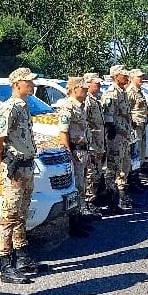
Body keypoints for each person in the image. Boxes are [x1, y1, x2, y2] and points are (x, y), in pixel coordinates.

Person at [0, 67, 42, 284]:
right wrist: (3, 160)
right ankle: (5, 266)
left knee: (21, 213)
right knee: (8, 217)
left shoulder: (24, 106)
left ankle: (22, 258)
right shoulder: (9, 108)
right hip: (15, 169)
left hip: (27, 167)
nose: (32, 85)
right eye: (28, 82)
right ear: (17, 84)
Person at [57, 76, 92, 236]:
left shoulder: (80, 106)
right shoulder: (68, 107)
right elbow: (63, 132)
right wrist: (69, 154)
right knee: (76, 187)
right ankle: (74, 223)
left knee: (82, 185)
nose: (85, 90)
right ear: (74, 89)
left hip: (83, 150)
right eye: (83, 88)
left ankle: (79, 216)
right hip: (76, 151)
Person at [101, 65, 133, 211]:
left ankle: (122, 196)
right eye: (124, 75)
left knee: (125, 165)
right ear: (116, 76)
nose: (127, 78)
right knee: (113, 167)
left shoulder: (123, 92)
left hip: (125, 136)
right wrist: (112, 133)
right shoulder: (111, 94)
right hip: (116, 137)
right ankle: (111, 199)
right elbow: (109, 119)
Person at [82, 72, 106, 214]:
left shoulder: (95, 100)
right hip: (91, 144)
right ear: (88, 84)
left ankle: (94, 200)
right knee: (90, 174)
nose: (99, 85)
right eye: (96, 83)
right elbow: (83, 124)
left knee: (96, 172)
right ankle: (88, 202)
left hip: (98, 144)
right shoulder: (87, 101)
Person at [126, 69, 148, 192]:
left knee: (140, 153)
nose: (141, 79)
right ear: (132, 77)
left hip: (142, 126)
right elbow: (126, 111)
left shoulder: (139, 92)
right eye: (139, 77)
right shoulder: (130, 92)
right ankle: (132, 180)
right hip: (135, 127)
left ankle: (136, 177)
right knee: (134, 154)